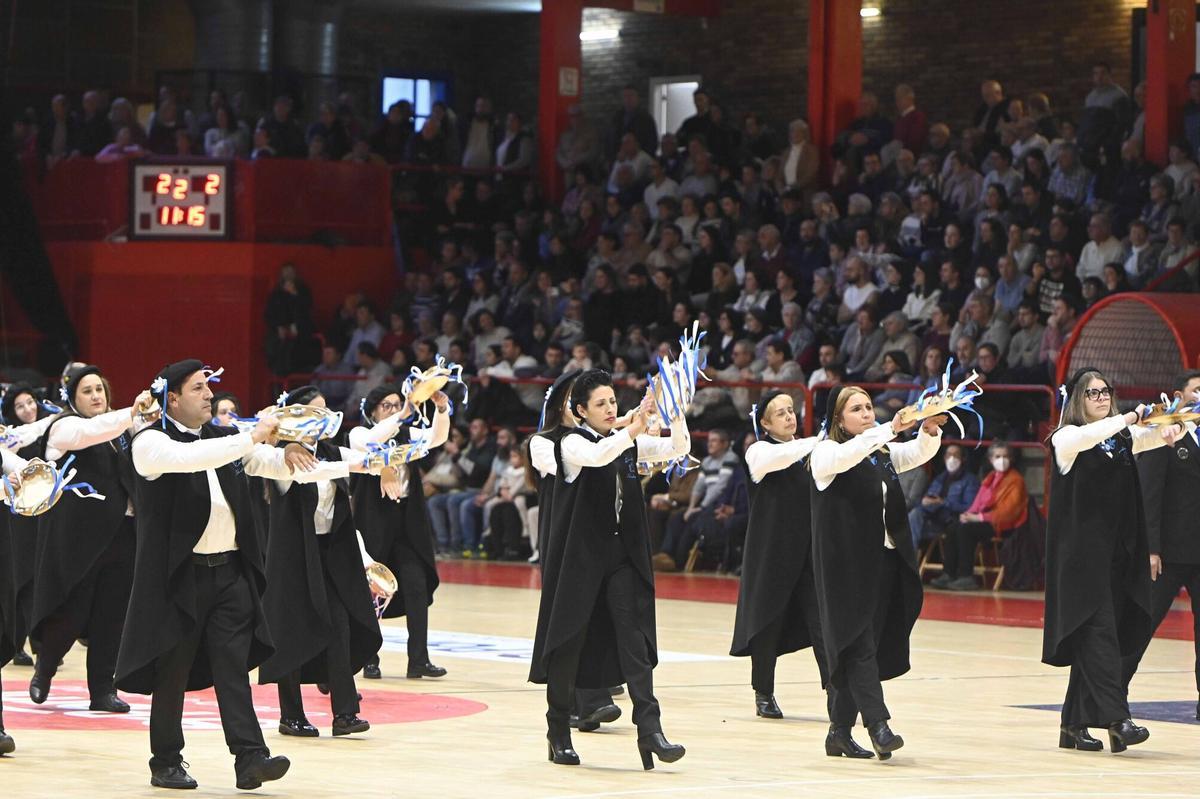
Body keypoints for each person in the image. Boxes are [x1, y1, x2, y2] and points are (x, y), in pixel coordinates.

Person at [117, 360, 333, 790]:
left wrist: (287, 453)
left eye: (208, 387)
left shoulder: (221, 438)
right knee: (173, 671)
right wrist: (250, 436)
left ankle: (250, 757)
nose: (209, 394)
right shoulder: (150, 443)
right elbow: (192, 457)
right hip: (179, 579)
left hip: (230, 574)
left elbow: (264, 461)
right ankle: (165, 761)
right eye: (198, 388)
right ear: (172, 398)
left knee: (233, 668)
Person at [530, 369, 689, 769]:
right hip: (578, 560)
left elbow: (678, 448)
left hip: (620, 557)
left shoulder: (624, 443)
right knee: (569, 642)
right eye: (600, 404)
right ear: (579, 410)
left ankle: (651, 731)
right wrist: (631, 429)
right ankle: (558, 732)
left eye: (612, 401)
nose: (610, 408)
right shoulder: (563, 443)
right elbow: (597, 455)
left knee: (634, 641)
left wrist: (675, 411)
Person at [1044, 368, 1186, 754]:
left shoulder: (1120, 437)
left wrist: (1174, 426)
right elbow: (1095, 433)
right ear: (1076, 399)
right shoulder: (1066, 439)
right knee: (1102, 634)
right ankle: (1117, 719)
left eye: (1105, 391)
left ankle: (1072, 725)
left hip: (1116, 556)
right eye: (1092, 393)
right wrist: (1127, 418)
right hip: (1080, 560)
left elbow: (1150, 436)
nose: (1102, 397)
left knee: (1097, 636)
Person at [730, 391, 873, 754]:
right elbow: (781, 456)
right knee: (766, 624)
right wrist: (817, 440)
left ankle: (836, 697)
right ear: (765, 422)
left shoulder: (813, 451)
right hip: (770, 552)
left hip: (809, 551)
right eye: (780, 413)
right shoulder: (759, 451)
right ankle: (763, 691)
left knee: (823, 625)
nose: (789, 417)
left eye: (791, 411)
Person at [810, 386, 946, 759]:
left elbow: (914, 454)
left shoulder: (880, 452)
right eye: (857, 409)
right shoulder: (825, 453)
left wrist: (928, 431)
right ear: (838, 418)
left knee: (865, 643)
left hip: (883, 561)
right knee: (859, 645)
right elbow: (849, 454)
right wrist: (889, 427)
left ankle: (838, 732)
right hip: (844, 569)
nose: (867, 413)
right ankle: (878, 725)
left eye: (869, 407)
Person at [28, 365, 157, 712]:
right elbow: (93, 430)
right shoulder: (66, 428)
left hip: (123, 535)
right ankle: (46, 667)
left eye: (99, 389)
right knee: (71, 612)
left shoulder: (122, 432)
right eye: (87, 391)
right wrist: (132, 411)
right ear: (72, 398)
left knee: (112, 616)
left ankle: (102, 690)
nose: (96, 396)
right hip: (78, 542)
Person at [257, 385, 381, 738]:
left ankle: (344, 714)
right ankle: (290, 715)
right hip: (294, 556)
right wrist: (362, 465)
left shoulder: (331, 450)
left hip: (332, 554)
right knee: (292, 632)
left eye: (326, 411)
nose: (323, 419)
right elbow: (312, 473)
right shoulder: (279, 456)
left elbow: (371, 450)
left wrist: (385, 463)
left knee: (340, 626)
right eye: (314, 412)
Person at [527, 371, 624, 733]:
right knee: (567, 619)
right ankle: (573, 702)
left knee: (596, 615)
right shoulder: (546, 442)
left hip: (592, 535)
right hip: (561, 536)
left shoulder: (598, 438)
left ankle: (592, 698)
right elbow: (581, 461)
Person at [349, 384, 451, 682]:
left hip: (407, 522)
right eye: (387, 406)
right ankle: (369, 658)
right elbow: (369, 443)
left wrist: (441, 409)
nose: (394, 411)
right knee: (371, 592)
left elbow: (437, 437)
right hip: (373, 521)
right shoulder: (359, 434)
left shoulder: (411, 437)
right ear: (372, 411)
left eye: (397, 405)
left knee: (417, 587)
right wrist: (384, 466)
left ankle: (419, 660)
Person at [1125, 371, 1200, 719]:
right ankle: (1111, 697)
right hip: (1167, 554)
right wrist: (1150, 547)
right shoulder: (1163, 433)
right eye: (1197, 390)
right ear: (1179, 396)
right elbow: (1148, 493)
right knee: (1140, 625)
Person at [1, 384, 59, 666]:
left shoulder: (47, 434)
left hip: (42, 518)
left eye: (31, 402)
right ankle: (16, 642)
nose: (28, 409)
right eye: (20, 405)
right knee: (20, 580)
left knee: (37, 582)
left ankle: (37, 644)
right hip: (15, 522)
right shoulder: (12, 436)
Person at [932, 442, 1029, 590]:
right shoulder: (990, 477)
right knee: (954, 527)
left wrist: (978, 518)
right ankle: (948, 573)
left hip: (1003, 525)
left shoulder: (1016, 480)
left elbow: (1009, 512)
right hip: (985, 521)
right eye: (997, 456)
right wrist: (968, 514)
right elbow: (978, 502)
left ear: (1011, 458)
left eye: (1005, 456)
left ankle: (966, 576)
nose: (1001, 460)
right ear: (991, 459)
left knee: (966, 530)